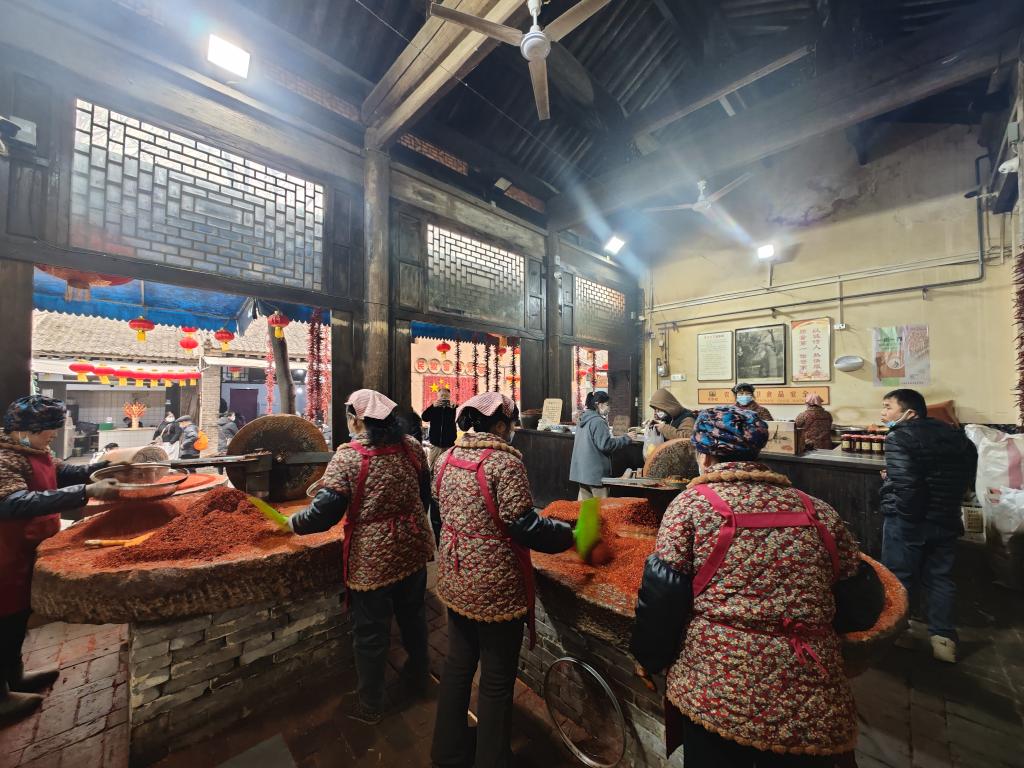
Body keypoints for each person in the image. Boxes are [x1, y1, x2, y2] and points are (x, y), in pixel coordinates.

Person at [631, 406, 878, 767]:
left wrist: (648, 657)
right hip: (811, 695)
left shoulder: (691, 506)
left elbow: (663, 597)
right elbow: (859, 603)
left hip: (717, 689)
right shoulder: (817, 510)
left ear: (705, 455)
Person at [431, 392, 577, 768]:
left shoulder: (446, 458)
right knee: (496, 679)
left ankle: (448, 752)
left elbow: (439, 512)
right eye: (510, 424)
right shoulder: (504, 462)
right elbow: (524, 525)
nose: (511, 431)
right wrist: (569, 536)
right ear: (499, 425)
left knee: (458, 665)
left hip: (455, 576)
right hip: (494, 588)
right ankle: (492, 759)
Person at [288, 389, 434, 724]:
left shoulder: (349, 456)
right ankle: (418, 676)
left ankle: (370, 704)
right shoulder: (411, 447)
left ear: (356, 420)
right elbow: (424, 494)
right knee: (413, 616)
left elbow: (324, 513)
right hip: (413, 546)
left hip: (373, 558)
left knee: (370, 631)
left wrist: (292, 523)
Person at [0, 396, 121, 721]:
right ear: (25, 430)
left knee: (16, 620)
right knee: (3, 624)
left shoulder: (33, 451)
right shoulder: (5, 458)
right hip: (4, 556)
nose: (54, 435)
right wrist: (85, 492)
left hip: (27, 550)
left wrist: (101, 470)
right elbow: (13, 503)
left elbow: (62, 473)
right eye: (49, 430)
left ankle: (14, 677)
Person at [880, 388, 977, 663]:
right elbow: (966, 474)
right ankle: (943, 640)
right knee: (940, 577)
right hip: (946, 517)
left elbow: (908, 485)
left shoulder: (899, 436)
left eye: (888, 407)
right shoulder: (957, 437)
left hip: (909, 519)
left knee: (900, 576)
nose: (883, 413)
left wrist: (908, 518)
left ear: (910, 413)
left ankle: (901, 632)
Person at [569, 391, 632, 500]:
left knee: (586, 507)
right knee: (601, 507)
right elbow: (606, 445)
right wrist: (626, 438)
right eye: (607, 404)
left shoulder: (582, 419)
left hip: (582, 473)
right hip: (595, 474)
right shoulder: (598, 421)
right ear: (599, 404)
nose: (609, 408)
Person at [422, 385, 457, 469]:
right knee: (432, 467)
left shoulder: (453, 408)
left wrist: (455, 408)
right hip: (435, 444)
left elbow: (460, 420)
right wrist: (432, 407)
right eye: (442, 396)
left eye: (446, 396)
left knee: (447, 468)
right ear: (438, 396)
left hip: (449, 445)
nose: (444, 398)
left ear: (449, 397)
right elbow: (424, 418)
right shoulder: (434, 408)